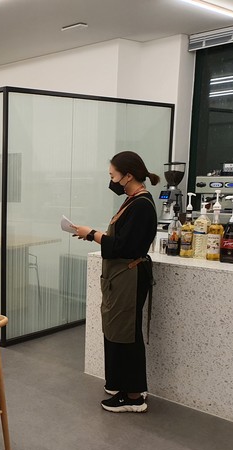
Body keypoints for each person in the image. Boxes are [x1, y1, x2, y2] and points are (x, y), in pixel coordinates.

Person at [73, 151, 158, 413]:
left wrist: (92, 234)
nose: (111, 180)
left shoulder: (142, 205)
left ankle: (133, 396)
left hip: (129, 277)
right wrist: (92, 235)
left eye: (113, 175)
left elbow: (123, 246)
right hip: (120, 277)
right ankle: (119, 383)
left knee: (126, 333)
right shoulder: (132, 201)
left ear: (128, 176)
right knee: (115, 329)